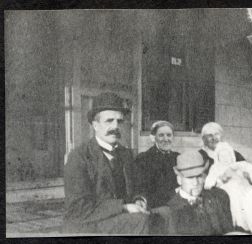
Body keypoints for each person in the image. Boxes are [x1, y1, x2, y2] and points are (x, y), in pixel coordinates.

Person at [63, 92, 149, 234]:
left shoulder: (126, 154)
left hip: (119, 218)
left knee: (165, 213)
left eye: (119, 121)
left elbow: (138, 186)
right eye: (109, 121)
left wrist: (139, 199)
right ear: (95, 125)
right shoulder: (79, 157)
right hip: (89, 224)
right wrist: (124, 207)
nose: (115, 126)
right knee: (140, 220)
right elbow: (78, 207)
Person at [204, 142, 252, 234]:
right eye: (222, 156)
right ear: (218, 157)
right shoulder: (216, 167)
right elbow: (209, 181)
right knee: (237, 200)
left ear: (232, 156)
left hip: (244, 188)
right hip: (227, 190)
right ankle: (244, 226)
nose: (226, 158)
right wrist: (216, 180)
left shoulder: (240, 164)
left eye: (228, 155)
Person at [164, 150, 234, 235]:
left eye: (199, 176)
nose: (196, 182)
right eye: (190, 177)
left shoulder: (219, 197)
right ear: (179, 180)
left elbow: (229, 231)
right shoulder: (170, 211)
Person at [130, 120, 179, 209]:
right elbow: (140, 187)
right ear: (153, 138)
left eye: (169, 135)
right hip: (155, 207)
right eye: (161, 135)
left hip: (177, 206)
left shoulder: (178, 158)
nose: (166, 139)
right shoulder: (143, 159)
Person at [198, 122, 252, 190]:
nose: (214, 138)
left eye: (217, 134)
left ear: (222, 136)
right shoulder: (200, 156)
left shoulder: (233, 154)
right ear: (203, 139)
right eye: (210, 135)